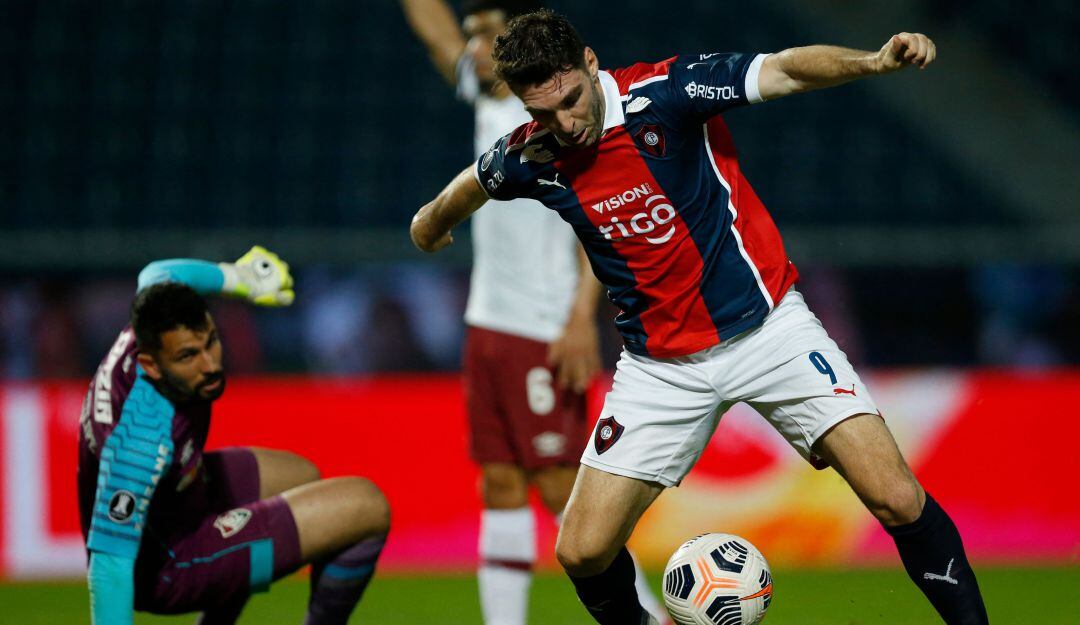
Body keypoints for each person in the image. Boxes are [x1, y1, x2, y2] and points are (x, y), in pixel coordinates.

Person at [410, 10, 988, 625]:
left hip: (769, 333)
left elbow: (785, 69)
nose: (564, 124)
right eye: (543, 112)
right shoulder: (535, 152)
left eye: (571, 102)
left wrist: (873, 61)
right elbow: (472, 184)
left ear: (588, 63)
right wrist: (431, 225)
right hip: (659, 370)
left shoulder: (667, 94)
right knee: (580, 550)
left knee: (897, 497)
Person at [399, 1, 665, 623]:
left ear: (516, 44)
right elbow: (433, 30)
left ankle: (645, 613)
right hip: (488, 321)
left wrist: (579, 319)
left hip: (544, 325)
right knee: (499, 483)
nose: (470, 47)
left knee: (558, 488)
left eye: (485, 36)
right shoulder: (491, 99)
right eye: (470, 36)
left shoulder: (561, 126)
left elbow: (593, 224)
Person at [79, 246, 391, 625]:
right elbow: (109, 568)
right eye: (189, 356)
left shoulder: (156, 316)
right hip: (170, 565)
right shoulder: (138, 443)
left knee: (301, 477)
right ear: (150, 365)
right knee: (367, 505)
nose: (211, 364)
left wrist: (240, 279)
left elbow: (157, 271)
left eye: (211, 340)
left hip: (179, 501)